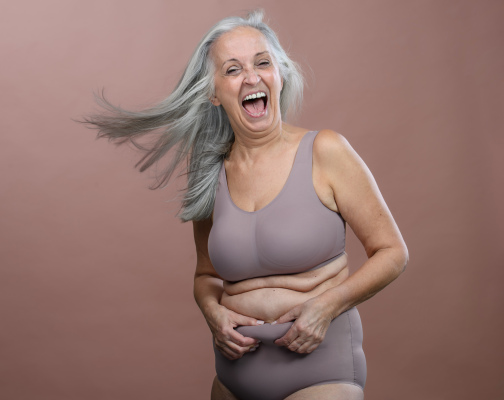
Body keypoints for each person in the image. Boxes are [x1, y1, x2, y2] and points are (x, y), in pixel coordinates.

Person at [80, 10, 408, 400]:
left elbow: (392, 253)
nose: (252, 77)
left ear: (280, 75)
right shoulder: (208, 172)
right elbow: (207, 276)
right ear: (212, 93)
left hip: (320, 369)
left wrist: (327, 307)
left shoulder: (326, 151)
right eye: (233, 70)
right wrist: (212, 313)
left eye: (263, 63)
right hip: (233, 379)